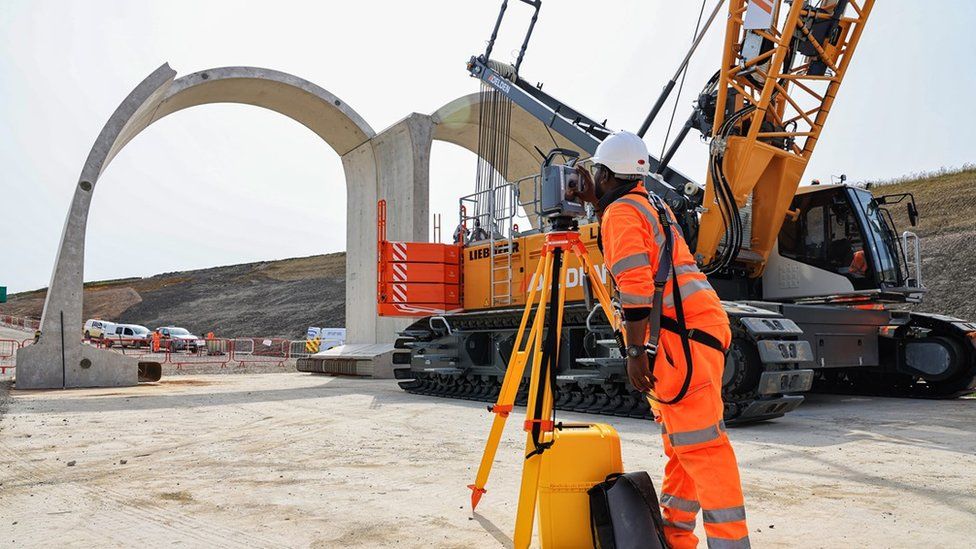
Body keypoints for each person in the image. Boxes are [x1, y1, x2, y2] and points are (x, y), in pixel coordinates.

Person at [569, 130, 750, 549]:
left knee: (704, 450)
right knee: (682, 445)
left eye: (596, 172)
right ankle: (677, 538)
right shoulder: (652, 204)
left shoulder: (621, 214)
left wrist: (635, 353)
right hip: (698, 330)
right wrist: (598, 204)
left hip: (679, 340)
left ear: (608, 173)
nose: (590, 179)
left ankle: (730, 544)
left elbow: (634, 286)